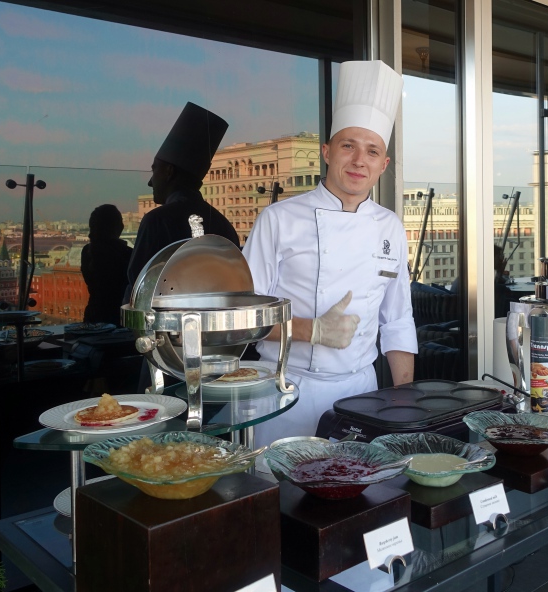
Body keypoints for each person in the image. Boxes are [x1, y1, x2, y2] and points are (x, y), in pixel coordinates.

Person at [243, 60, 418, 445]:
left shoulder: (389, 225)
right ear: (327, 151)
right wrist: (312, 330)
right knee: (282, 496)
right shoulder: (278, 219)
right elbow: (242, 319)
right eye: (348, 146)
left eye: (372, 151)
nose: (359, 160)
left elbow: (397, 320)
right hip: (285, 393)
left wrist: (404, 401)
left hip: (362, 395)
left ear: (383, 165)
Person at [125, 102, 239, 300]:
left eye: (155, 170)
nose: (151, 182)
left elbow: (138, 287)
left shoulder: (156, 221)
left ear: (169, 172)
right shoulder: (224, 225)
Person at [81, 204, 132, 325]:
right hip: (119, 319)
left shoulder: (87, 252)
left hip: (93, 317)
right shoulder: (128, 255)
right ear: (120, 227)